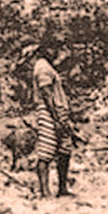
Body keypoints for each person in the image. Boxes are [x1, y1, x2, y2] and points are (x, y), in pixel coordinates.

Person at [31, 56, 78, 198]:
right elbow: (46, 94)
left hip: (58, 111)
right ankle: (45, 191)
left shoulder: (47, 67)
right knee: (46, 150)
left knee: (65, 150)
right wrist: (56, 118)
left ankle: (62, 188)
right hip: (48, 112)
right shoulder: (42, 67)